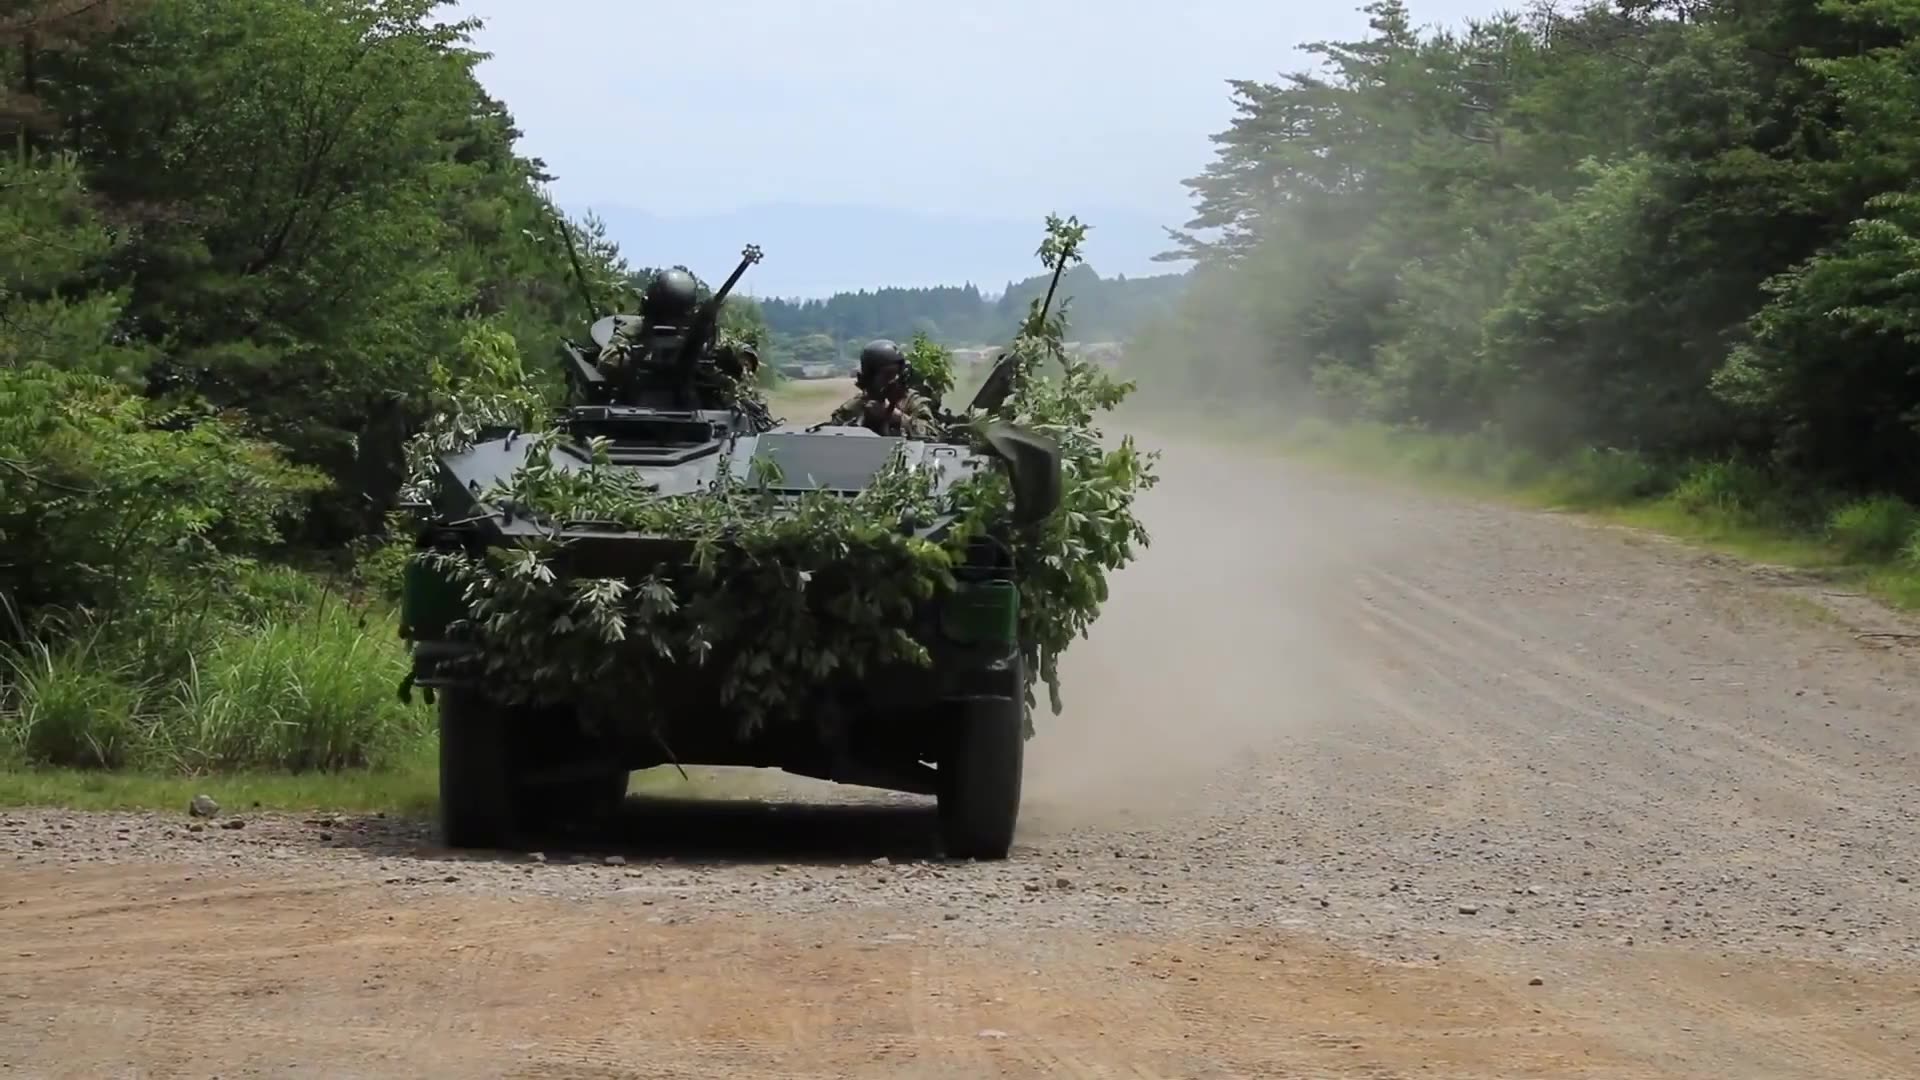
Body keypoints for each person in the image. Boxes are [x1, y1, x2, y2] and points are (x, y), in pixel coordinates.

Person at [829, 339, 940, 438]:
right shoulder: (855, 407)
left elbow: (932, 435)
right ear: (870, 378)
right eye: (888, 374)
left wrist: (896, 417)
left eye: (898, 373)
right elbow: (831, 436)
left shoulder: (912, 402)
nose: (895, 379)